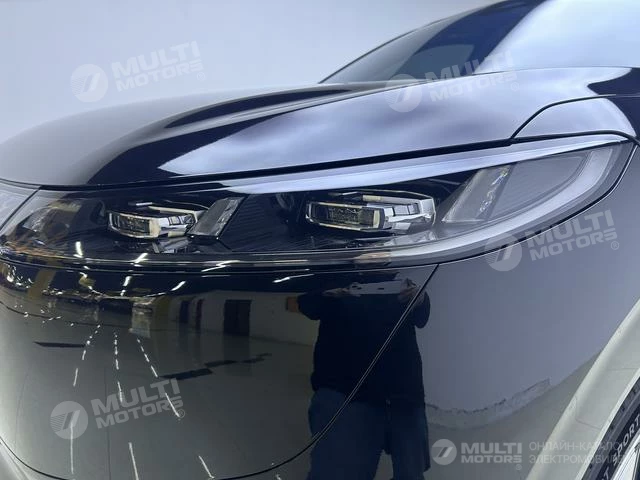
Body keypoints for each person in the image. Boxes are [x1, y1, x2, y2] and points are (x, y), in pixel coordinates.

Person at [295, 276, 431, 480]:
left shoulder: (401, 279)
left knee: (410, 471)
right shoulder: (335, 273)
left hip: (403, 392)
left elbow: (421, 318)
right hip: (346, 391)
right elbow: (307, 304)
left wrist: (421, 299)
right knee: (337, 469)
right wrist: (330, 293)